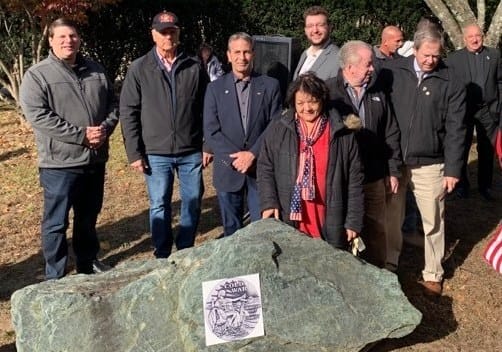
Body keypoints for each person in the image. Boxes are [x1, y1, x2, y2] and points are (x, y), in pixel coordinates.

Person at [19, 18, 118, 279]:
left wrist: (104, 130)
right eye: (61, 36)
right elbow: (39, 116)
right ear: (51, 41)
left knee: (88, 217)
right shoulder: (37, 75)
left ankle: (87, 262)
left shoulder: (96, 70)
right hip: (60, 163)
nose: (68, 41)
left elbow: (112, 104)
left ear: (79, 39)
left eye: (72, 36)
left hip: (94, 160)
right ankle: (56, 273)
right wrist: (80, 136)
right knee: (56, 223)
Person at [120, 11, 210, 258]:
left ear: (178, 33)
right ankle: (162, 253)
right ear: (153, 35)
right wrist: (134, 153)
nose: (168, 36)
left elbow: (207, 108)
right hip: (155, 151)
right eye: (163, 32)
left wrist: (207, 144)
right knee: (159, 204)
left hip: (190, 149)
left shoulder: (193, 65)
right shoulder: (139, 68)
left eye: (172, 31)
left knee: (192, 201)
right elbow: (128, 111)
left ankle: (185, 250)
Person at [383, 29, 466, 296]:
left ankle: (433, 272)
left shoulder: (450, 79)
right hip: (395, 159)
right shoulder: (395, 72)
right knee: (392, 216)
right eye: (426, 54)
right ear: (414, 50)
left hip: (430, 162)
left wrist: (453, 169)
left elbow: (457, 128)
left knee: (433, 220)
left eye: (436, 55)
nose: (431, 60)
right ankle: (389, 263)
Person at [258, 72, 364, 249]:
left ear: (322, 100)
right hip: (289, 216)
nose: (306, 108)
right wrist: (269, 201)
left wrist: (353, 220)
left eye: (312, 101)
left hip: (329, 217)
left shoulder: (341, 134)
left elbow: (355, 180)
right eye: (300, 103)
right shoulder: (279, 129)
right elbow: (265, 167)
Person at [326, 41, 401, 268]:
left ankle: (378, 274)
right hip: (340, 180)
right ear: (350, 66)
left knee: (377, 229)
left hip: (373, 176)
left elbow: (391, 132)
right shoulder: (328, 92)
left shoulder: (377, 92)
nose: (372, 69)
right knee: (340, 229)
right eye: (368, 64)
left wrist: (393, 169)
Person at [204, 32, 282, 237]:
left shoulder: (270, 85)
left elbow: (275, 125)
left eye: (246, 51)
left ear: (253, 54)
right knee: (232, 230)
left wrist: (252, 154)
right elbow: (211, 130)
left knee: (263, 229)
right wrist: (237, 158)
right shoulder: (215, 89)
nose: (242, 57)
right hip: (228, 168)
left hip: (260, 168)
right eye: (237, 52)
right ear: (228, 56)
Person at [447, 23, 502, 201]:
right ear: (464, 39)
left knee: (486, 149)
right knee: (461, 147)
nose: (474, 39)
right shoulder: (454, 59)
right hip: (464, 110)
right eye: (470, 36)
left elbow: (500, 81)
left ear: (483, 36)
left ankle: (485, 186)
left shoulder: (494, 55)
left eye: (477, 35)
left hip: (488, 109)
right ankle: (462, 185)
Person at [293, 6, 340, 81]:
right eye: (310, 26)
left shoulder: (338, 58)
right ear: (305, 30)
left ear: (329, 28)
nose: (315, 30)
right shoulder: (304, 54)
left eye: (320, 25)